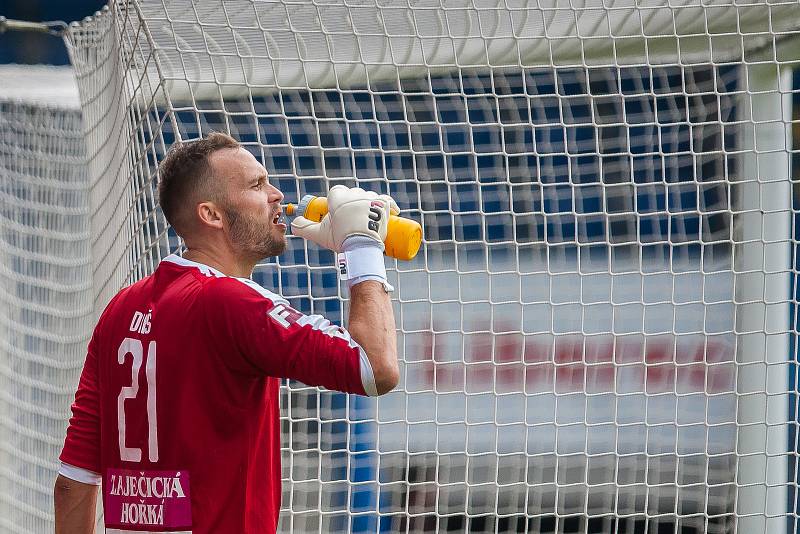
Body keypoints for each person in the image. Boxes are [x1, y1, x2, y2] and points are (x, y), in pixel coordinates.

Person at [54, 132, 400, 533]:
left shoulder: (120, 309)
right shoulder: (231, 303)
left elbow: (73, 481)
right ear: (211, 215)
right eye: (256, 185)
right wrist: (361, 250)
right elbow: (376, 367)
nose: (276, 194)